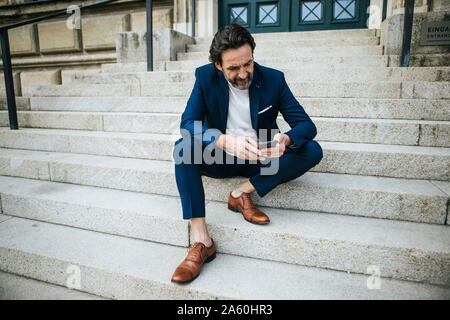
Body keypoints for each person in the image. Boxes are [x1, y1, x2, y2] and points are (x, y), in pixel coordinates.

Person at [171, 24, 323, 283]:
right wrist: (221, 140)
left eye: (248, 64)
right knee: (183, 147)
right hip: (219, 155)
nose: (243, 74)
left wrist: (285, 139)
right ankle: (202, 241)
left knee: (311, 149)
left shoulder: (274, 79)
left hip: (260, 159)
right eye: (233, 68)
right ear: (218, 65)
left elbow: (307, 125)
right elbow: (188, 123)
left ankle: (242, 192)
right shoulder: (204, 77)